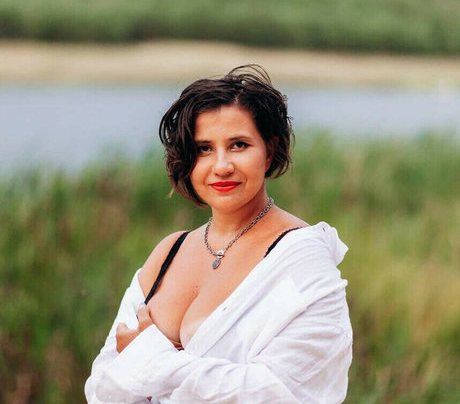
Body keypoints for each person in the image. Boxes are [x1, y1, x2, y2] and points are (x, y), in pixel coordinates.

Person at [85, 65, 352, 403]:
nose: (221, 166)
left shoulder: (301, 259)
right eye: (204, 148)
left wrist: (152, 361)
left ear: (269, 151)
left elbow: (279, 393)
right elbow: (102, 383)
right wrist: (153, 365)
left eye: (238, 145)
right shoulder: (170, 251)